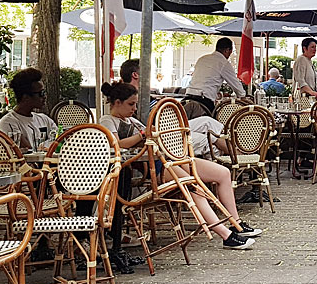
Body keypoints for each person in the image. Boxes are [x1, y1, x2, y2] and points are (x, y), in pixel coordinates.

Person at [99, 83, 260, 250]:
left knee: (223, 173)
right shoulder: (108, 120)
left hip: (167, 158)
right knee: (192, 186)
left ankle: (235, 223)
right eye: (131, 104)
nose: (134, 108)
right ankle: (225, 234)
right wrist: (143, 134)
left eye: (135, 104)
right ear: (117, 102)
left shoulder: (130, 120)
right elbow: (117, 144)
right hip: (154, 167)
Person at [0, 68, 58, 152]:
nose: (44, 97)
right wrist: (47, 145)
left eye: (44, 92)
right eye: (41, 93)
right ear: (26, 97)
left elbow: (60, 140)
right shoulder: (8, 123)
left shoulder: (44, 119)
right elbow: (28, 151)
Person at [185, 38, 246, 113]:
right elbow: (237, 86)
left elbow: (205, 80)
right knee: (214, 122)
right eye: (230, 53)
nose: (229, 56)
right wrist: (244, 99)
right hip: (203, 102)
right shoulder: (223, 63)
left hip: (187, 98)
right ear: (227, 50)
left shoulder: (202, 59)